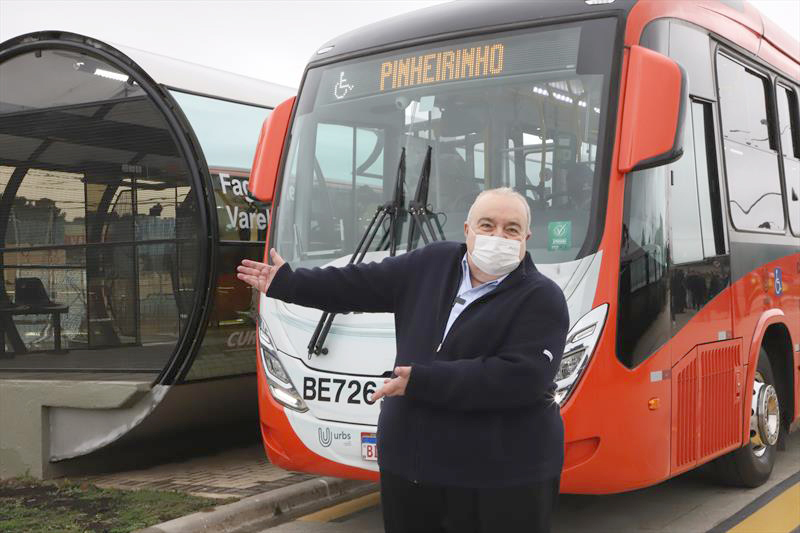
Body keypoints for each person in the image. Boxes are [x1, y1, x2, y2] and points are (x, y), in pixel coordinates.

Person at [237, 187, 569, 533]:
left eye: (511, 229)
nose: (497, 236)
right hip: (411, 467)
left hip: (499, 477)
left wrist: (423, 381)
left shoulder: (542, 297)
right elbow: (357, 283)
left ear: (526, 238)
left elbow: (522, 378)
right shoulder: (433, 263)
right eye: (487, 225)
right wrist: (288, 283)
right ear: (468, 230)